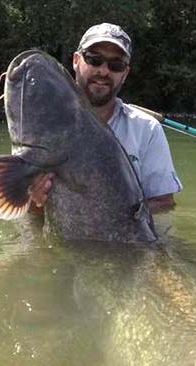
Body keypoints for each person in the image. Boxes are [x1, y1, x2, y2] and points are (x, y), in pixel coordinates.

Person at [28, 23, 182, 225]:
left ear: (125, 73)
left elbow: (164, 203)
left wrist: (112, 213)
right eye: (94, 59)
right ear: (76, 61)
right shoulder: (43, 125)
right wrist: (34, 201)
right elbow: (26, 208)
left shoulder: (147, 129)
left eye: (115, 65)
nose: (103, 71)